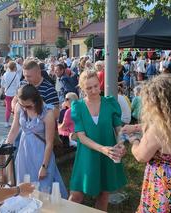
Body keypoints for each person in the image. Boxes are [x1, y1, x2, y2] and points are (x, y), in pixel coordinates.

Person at [122, 75, 171, 212]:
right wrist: (137, 127)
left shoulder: (159, 129)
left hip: (166, 189)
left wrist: (134, 140)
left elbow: (141, 156)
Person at [69, 71, 127, 211]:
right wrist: (103, 149)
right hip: (87, 155)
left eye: (96, 85)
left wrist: (121, 143)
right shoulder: (78, 106)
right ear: (82, 88)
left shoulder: (110, 103)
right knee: (76, 195)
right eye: (89, 88)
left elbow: (119, 129)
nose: (94, 90)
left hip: (109, 154)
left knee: (103, 194)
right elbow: (81, 137)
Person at [5, 84, 68, 198]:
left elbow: (49, 143)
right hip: (24, 152)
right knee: (24, 185)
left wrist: (44, 167)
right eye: (21, 105)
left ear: (36, 101)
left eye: (28, 106)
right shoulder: (21, 107)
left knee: (43, 188)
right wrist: (5, 147)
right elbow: (14, 129)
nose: (24, 108)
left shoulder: (47, 114)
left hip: (41, 154)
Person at [1, 61, 20, 128]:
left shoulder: (5, 74)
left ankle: (6, 122)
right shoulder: (16, 75)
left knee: (8, 108)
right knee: (15, 108)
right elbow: (18, 85)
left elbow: (2, 85)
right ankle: (15, 122)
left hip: (7, 93)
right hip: (15, 94)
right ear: (14, 67)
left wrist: (2, 91)